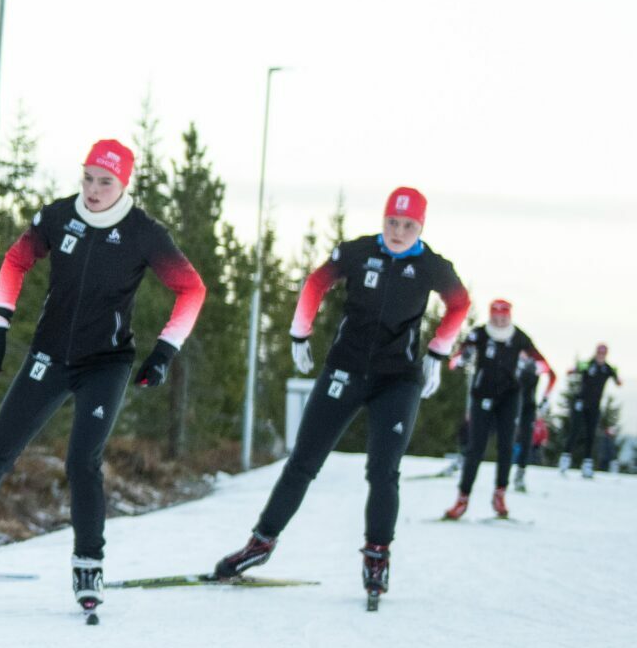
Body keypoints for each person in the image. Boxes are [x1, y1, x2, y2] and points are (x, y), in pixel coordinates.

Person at [0, 140, 207, 613]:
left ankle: (89, 564)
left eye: (106, 182)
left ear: (124, 184)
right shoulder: (59, 216)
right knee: (0, 448)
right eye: (88, 178)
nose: (94, 189)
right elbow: (15, 260)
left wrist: (165, 351)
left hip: (106, 363)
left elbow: (191, 289)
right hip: (50, 354)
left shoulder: (144, 232)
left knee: (83, 461)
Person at [213, 187, 470, 602]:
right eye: (392, 222)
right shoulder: (357, 251)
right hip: (345, 370)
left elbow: (459, 303)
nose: (398, 232)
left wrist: (438, 353)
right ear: (383, 220)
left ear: (420, 227)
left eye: (408, 225)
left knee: (383, 471)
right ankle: (260, 543)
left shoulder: (431, 266)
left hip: (398, 380)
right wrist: (300, 332)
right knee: (303, 462)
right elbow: (316, 284)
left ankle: (376, 555)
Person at [443, 300, 553, 518]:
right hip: (482, 395)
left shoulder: (519, 337)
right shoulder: (480, 334)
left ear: (509, 316)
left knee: (506, 446)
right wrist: (462, 358)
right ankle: (462, 498)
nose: (500, 319)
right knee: (476, 447)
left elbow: (544, 365)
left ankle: (500, 494)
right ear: (491, 315)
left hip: (509, 397)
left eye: (504, 315)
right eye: (496, 315)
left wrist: (532, 366)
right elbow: (454, 360)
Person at [562, 345, 622, 478]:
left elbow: (618, 381)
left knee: (591, 435)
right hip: (581, 403)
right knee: (575, 431)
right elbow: (573, 370)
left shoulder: (607, 368)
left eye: (603, 353)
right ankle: (565, 460)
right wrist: (573, 370)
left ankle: (587, 465)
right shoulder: (587, 364)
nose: (601, 355)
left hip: (595, 406)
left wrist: (618, 379)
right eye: (599, 353)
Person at [511, 345, 556, 491]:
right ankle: (464, 460)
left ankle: (520, 474)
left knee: (526, 439)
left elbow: (552, 376)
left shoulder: (536, 360)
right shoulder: (509, 354)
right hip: (509, 404)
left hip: (528, 405)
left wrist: (545, 400)